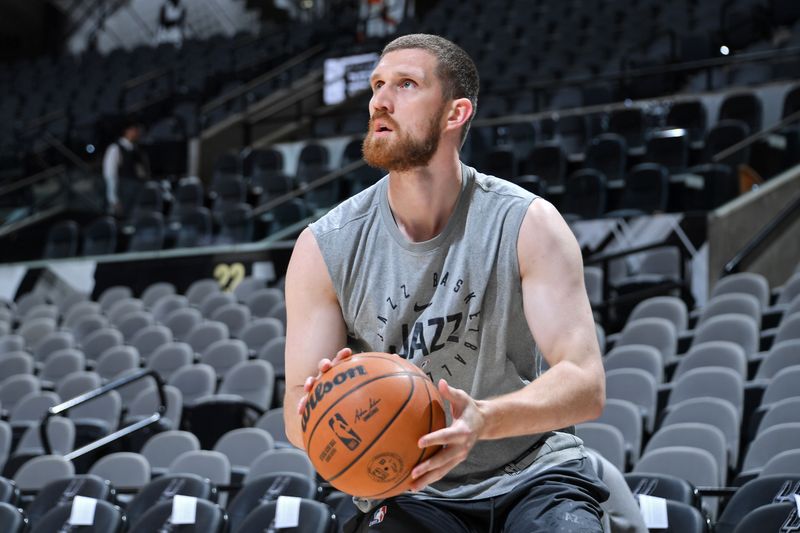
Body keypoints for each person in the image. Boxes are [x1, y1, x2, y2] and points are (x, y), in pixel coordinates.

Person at [284, 33, 609, 532]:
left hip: (534, 475)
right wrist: (330, 404)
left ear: (455, 114)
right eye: (376, 86)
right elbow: (294, 415)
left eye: (406, 84)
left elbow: (585, 384)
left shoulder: (527, 223)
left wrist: (481, 419)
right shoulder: (323, 247)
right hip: (412, 489)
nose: (380, 101)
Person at [102, 119, 150, 218]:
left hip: (136, 193)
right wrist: (113, 198)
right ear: (128, 131)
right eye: (136, 130)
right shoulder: (115, 148)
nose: (138, 133)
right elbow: (110, 174)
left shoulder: (137, 150)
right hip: (123, 193)